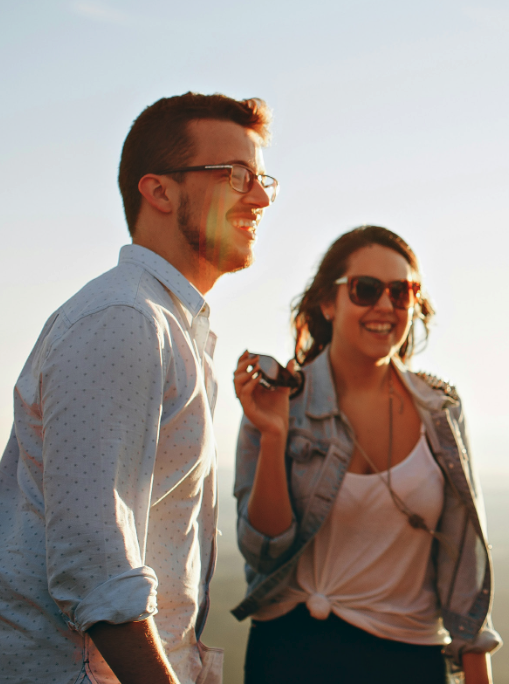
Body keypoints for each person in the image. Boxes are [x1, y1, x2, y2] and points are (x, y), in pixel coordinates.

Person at [0, 92, 279, 684]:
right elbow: (97, 568)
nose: (258, 197)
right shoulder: (125, 318)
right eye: (235, 175)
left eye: (261, 179)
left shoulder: (168, 324)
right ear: (159, 191)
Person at [233, 226, 501, 684]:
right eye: (366, 289)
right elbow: (263, 552)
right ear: (327, 302)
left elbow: (464, 574)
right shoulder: (280, 401)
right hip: (290, 654)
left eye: (402, 292)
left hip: (409, 660)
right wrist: (274, 435)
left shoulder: (441, 412)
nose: (384, 306)